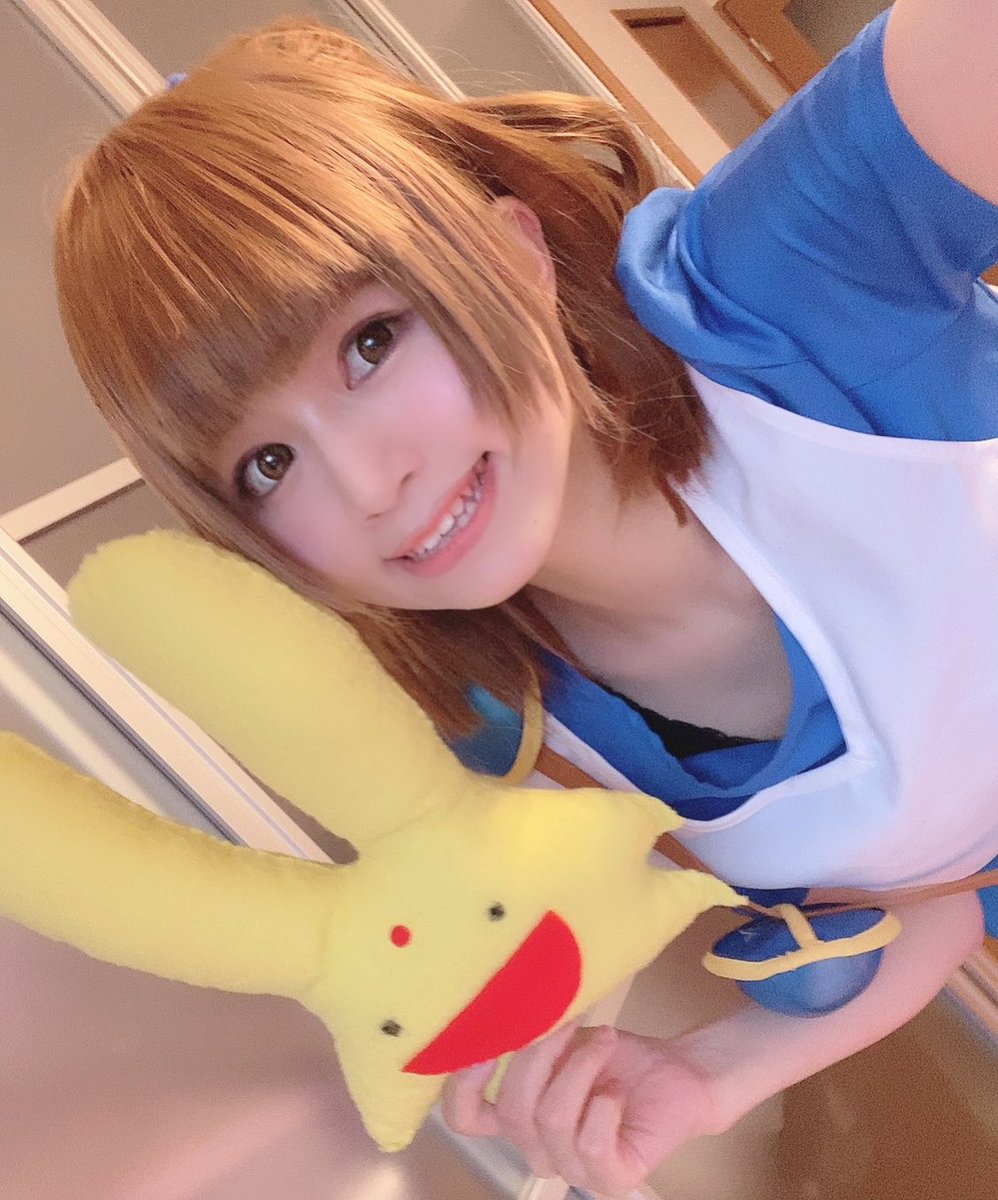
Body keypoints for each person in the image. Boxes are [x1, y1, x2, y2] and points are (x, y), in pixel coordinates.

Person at [53, 1, 998, 1193]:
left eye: (369, 343)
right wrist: (712, 1072)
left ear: (508, 251)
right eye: (268, 463)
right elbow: (942, 888)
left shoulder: (778, 295)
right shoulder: (514, 738)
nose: (369, 485)